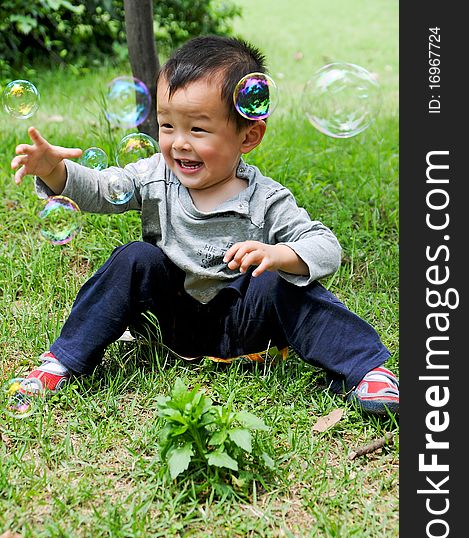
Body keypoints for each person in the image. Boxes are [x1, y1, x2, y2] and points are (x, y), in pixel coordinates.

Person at [10, 35, 399, 416]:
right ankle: (62, 362)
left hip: (248, 328)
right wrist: (55, 170)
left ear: (249, 136)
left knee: (282, 281)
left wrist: (280, 254)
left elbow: (325, 246)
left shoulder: (266, 198)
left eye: (197, 129)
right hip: (171, 323)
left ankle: (367, 370)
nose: (179, 143)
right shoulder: (154, 176)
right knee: (135, 257)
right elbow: (101, 188)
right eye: (167, 126)